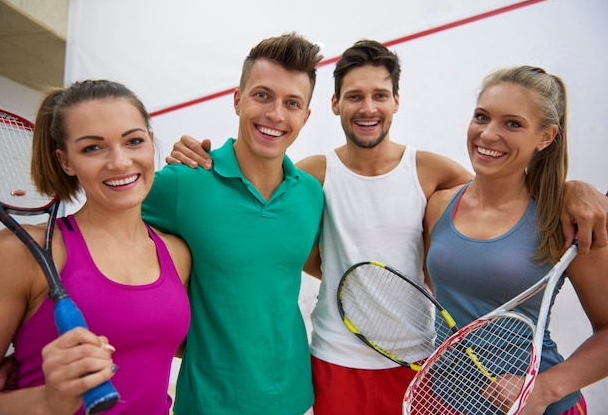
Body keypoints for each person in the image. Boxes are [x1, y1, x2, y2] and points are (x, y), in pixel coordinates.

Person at [167, 40, 608, 415]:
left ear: (398, 100)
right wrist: (191, 156)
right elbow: (280, 242)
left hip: (422, 366)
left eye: (381, 94)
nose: (368, 106)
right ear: (334, 104)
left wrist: (572, 188)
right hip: (348, 366)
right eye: (354, 95)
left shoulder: (436, 177)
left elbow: (509, 191)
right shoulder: (308, 179)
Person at [141, 32, 324, 414]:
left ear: (305, 116)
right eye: (262, 95)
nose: (275, 114)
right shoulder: (183, 182)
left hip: (294, 398)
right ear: (238, 100)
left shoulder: (310, 194)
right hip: (208, 402)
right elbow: (102, 238)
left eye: (292, 103)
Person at [0, 79, 191, 414]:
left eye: (133, 141)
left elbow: (160, 345)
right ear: (66, 162)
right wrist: (45, 402)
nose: (120, 162)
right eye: (93, 148)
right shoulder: (17, 253)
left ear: (151, 143)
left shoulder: (177, 254)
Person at [424, 65, 608, 414]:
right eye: (482, 117)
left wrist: (543, 389)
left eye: (513, 124)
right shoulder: (441, 204)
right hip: (443, 400)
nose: (488, 135)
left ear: (545, 136)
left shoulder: (568, 220)